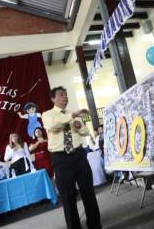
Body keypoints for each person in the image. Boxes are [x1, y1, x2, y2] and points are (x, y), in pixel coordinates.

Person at [42, 86, 101, 229]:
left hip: (79, 156)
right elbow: (53, 126)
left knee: (88, 193)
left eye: (66, 95)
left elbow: (86, 131)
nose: (65, 97)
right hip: (61, 159)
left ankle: (95, 225)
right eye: (61, 95)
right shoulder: (48, 114)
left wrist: (78, 125)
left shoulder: (72, 115)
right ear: (53, 99)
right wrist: (72, 116)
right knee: (68, 198)